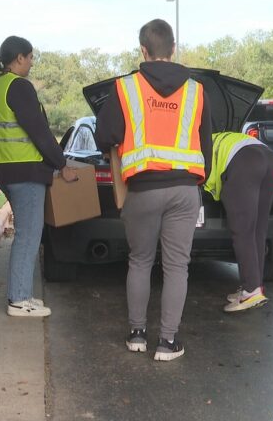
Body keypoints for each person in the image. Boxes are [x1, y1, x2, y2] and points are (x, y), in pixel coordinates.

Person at [95, 19, 213, 361]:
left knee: (140, 260)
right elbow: (205, 144)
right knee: (177, 266)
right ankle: (167, 342)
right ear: (173, 49)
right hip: (184, 188)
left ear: (143, 50)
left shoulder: (125, 88)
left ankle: (136, 335)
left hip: (142, 189)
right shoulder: (196, 91)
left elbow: (105, 136)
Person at [0, 36, 77, 317]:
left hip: (4, 168)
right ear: (19, 58)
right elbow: (39, 132)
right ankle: (19, 298)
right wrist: (62, 164)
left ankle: (21, 293)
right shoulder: (19, 86)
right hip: (25, 170)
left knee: (25, 234)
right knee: (28, 235)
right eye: (31, 57)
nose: (32, 62)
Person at [204, 132, 273, 312]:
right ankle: (255, 285)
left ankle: (250, 292)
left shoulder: (198, 146)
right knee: (258, 229)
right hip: (270, 158)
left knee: (243, 230)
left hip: (245, 162)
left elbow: (203, 177)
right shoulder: (221, 137)